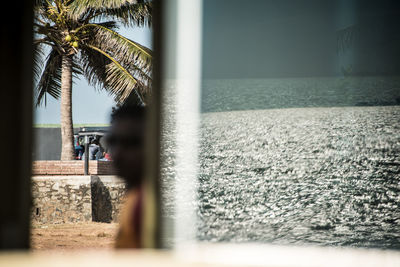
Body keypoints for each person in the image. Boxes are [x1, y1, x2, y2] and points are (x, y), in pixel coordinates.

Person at [107, 105, 146, 248]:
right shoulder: (135, 197)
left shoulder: (145, 204)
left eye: (130, 143)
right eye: (113, 142)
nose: (117, 153)